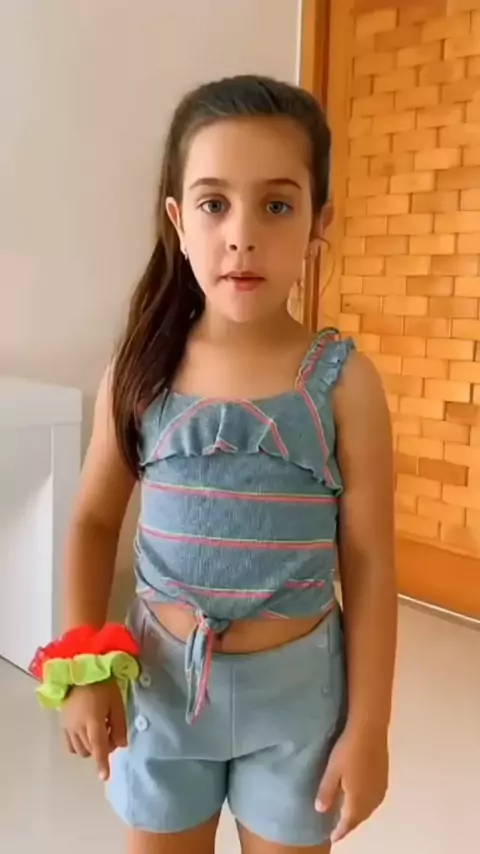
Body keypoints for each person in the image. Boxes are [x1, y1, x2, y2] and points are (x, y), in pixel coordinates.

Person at [58, 75, 397, 854]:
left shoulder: (344, 383)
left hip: (300, 705)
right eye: (214, 203)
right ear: (178, 221)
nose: (242, 235)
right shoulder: (140, 370)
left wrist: (371, 727)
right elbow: (93, 519)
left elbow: (370, 559)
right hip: (161, 694)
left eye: (276, 205)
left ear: (319, 222)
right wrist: (84, 663)